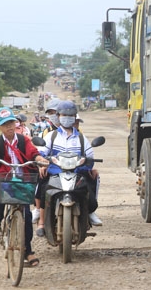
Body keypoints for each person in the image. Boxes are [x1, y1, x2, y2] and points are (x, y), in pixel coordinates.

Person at [0, 106, 49, 267]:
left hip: (23, 180)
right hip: (5, 179)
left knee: (25, 215)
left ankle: (28, 252)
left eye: (11, 122)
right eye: (5, 124)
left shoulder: (24, 140)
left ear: (16, 123)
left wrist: (40, 158)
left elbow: (33, 152)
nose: (10, 127)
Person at [36, 100, 102, 237]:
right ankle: (41, 221)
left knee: (90, 183)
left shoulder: (82, 139)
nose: (67, 118)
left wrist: (87, 163)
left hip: (77, 172)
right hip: (55, 172)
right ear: (58, 116)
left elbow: (90, 157)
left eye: (70, 115)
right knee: (44, 187)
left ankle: (89, 212)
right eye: (64, 115)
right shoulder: (51, 136)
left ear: (75, 117)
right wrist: (43, 163)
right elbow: (42, 152)